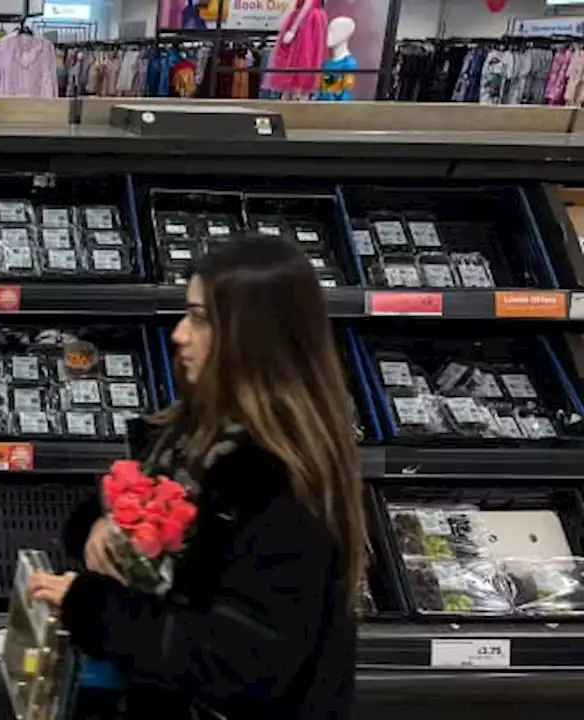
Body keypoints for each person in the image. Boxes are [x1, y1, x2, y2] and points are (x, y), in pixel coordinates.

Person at [30, 236, 362, 719]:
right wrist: (105, 525)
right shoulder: (192, 434)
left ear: (254, 335)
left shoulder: (283, 481)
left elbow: (235, 661)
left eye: (201, 318)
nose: (179, 334)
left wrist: (95, 609)